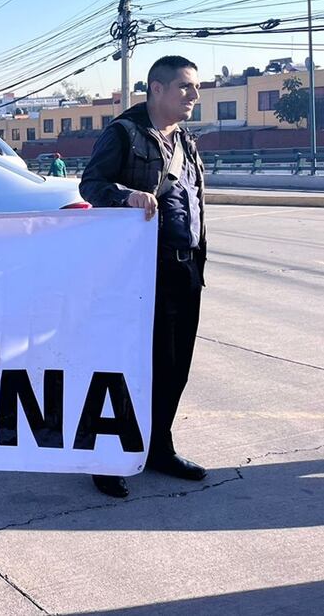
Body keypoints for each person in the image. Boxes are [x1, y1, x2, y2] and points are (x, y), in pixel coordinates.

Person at [80, 56, 208, 499]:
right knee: (128, 367)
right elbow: (91, 184)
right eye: (185, 86)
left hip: (185, 268)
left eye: (196, 87)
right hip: (139, 274)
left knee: (174, 367)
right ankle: (106, 457)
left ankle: (158, 448)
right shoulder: (124, 133)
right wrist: (126, 196)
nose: (194, 95)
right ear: (156, 88)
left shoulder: (185, 139)